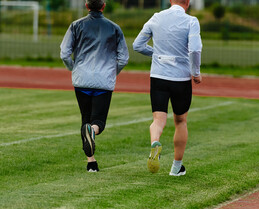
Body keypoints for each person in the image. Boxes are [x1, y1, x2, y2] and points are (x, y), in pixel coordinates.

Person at [133, 0, 202, 176]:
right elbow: (194, 49)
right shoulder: (191, 21)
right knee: (180, 121)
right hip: (180, 78)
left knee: (158, 120)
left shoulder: (156, 17)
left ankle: (155, 142)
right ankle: (176, 167)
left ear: (170, 0)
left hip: (158, 76)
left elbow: (137, 45)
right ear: (188, 2)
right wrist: (196, 72)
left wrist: (156, 55)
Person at [60, 0, 129, 172]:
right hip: (103, 81)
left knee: (86, 120)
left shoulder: (76, 25)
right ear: (103, 6)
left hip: (81, 79)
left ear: (86, 6)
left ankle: (91, 162)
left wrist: (73, 68)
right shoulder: (114, 28)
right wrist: (112, 72)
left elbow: (64, 53)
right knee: (98, 122)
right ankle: (93, 136)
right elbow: (124, 58)